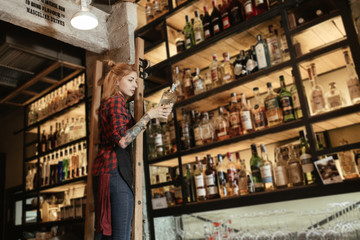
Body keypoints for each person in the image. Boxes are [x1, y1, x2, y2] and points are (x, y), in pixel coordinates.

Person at [92, 62, 172, 240]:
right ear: (116, 81)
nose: (135, 85)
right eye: (130, 80)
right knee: (120, 236)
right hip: (114, 171)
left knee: (106, 234)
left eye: (136, 81)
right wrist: (148, 116)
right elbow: (122, 140)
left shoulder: (111, 103)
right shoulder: (115, 102)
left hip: (106, 172)